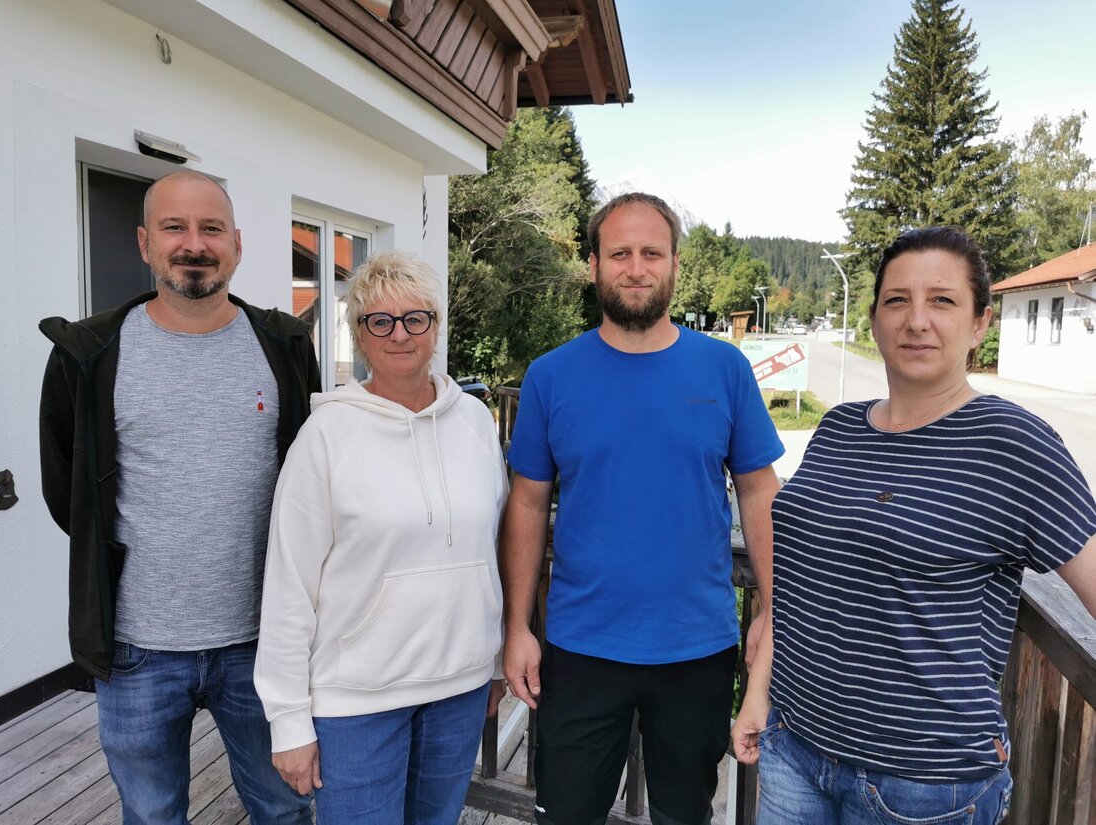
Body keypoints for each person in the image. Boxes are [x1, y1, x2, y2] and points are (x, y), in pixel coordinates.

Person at [731, 226, 1096, 825]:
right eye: (897, 300)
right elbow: (799, 585)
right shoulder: (839, 429)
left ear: (980, 324)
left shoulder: (1013, 444)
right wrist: (759, 696)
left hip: (922, 787)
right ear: (874, 319)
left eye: (943, 301)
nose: (917, 320)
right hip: (795, 751)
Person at [38, 170, 318, 824]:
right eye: (175, 227)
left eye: (210, 228)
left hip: (262, 645)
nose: (194, 244)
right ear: (144, 243)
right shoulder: (89, 354)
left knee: (284, 809)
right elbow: (68, 492)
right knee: (153, 814)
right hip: (136, 649)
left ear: (238, 245)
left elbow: (308, 481)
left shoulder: (283, 346)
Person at [502, 192, 784, 825]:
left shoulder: (724, 369)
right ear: (595, 265)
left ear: (675, 264)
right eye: (620, 253)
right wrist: (517, 625)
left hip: (696, 646)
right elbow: (526, 501)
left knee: (685, 815)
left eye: (651, 253)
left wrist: (770, 603)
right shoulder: (552, 375)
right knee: (567, 814)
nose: (635, 267)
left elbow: (760, 491)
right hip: (580, 646)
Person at [254, 250, 508, 824]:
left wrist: (489, 664)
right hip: (357, 701)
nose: (400, 334)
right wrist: (289, 719)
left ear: (436, 329)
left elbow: (485, 552)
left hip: (458, 690)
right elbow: (289, 585)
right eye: (379, 321)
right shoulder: (325, 435)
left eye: (415, 318)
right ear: (360, 336)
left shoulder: (473, 423)